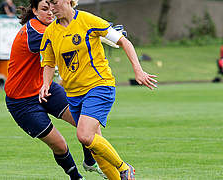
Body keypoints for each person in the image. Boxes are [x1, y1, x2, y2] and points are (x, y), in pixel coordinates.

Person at [39, 0, 158, 179]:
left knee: (85, 136)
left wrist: (138, 70)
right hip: (73, 94)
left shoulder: (88, 20)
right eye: (48, 4)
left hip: (99, 86)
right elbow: (48, 63)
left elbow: (124, 41)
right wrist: (46, 84)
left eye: (54, 3)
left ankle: (124, 168)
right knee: (95, 148)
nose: (51, 8)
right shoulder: (50, 32)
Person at [4, 0, 107, 179]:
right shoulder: (35, 32)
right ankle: (76, 177)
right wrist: (106, 34)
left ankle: (91, 162)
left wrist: (107, 31)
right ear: (34, 11)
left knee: (88, 124)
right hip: (22, 102)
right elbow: (70, 36)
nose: (50, 12)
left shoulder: (54, 27)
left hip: (46, 89)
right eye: (44, 9)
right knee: (60, 145)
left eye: (52, 7)